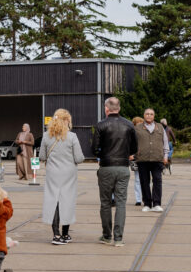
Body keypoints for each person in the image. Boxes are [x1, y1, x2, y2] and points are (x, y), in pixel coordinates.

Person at [91, 97, 138, 247]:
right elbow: (135, 148)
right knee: (121, 203)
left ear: (106, 108)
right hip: (123, 166)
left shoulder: (101, 125)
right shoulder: (129, 125)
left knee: (105, 203)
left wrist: (103, 154)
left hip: (106, 166)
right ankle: (118, 238)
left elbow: (94, 149)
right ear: (119, 108)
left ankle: (107, 235)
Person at [40, 109, 85, 244]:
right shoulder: (72, 136)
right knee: (67, 201)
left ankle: (56, 235)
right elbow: (79, 158)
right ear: (66, 121)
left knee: (53, 201)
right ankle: (65, 234)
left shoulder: (46, 136)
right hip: (69, 174)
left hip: (52, 173)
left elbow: (42, 156)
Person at [133, 108, 168, 213]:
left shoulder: (160, 127)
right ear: (144, 115)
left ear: (154, 116)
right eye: (147, 114)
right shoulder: (137, 128)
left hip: (157, 159)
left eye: (151, 114)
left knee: (157, 180)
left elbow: (165, 142)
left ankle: (157, 204)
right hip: (142, 159)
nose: (149, 115)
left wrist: (166, 156)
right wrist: (132, 154)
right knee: (144, 182)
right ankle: (147, 204)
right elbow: (132, 142)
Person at [131, 116, 145, 205]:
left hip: (145, 158)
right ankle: (138, 199)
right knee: (137, 179)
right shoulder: (131, 134)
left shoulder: (145, 133)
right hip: (135, 158)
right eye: (138, 124)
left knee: (145, 179)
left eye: (141, 124)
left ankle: (145, 197)